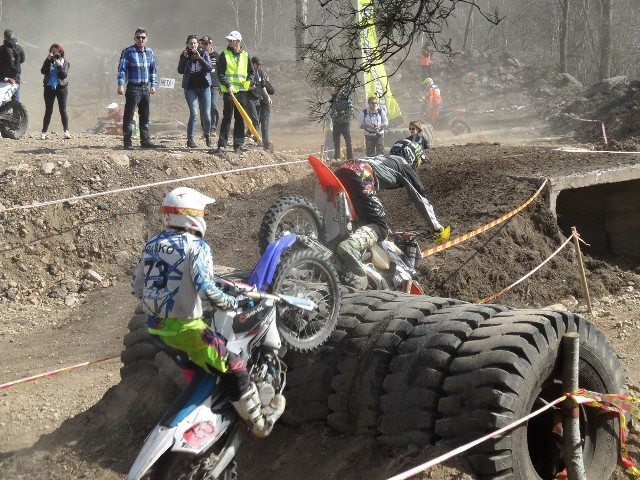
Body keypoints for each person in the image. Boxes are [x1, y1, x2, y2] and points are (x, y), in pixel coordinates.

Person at [131, 186, 285, 437]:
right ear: (192, 215)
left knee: (203, 367)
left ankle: (209, 406)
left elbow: (136, 287)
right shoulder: (196, 246)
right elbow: (207, 291)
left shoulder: (152, 244)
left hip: (154, 327)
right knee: (234, 365)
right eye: (202, 211)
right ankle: (259, 424)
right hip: (187, 330)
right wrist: (233, 303)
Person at [334, 139, 450, 280]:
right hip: (360, 175)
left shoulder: (383, 158)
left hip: (339, 173)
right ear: (412, 156)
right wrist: (436, 227)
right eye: (419, 161)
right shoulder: (403, 164)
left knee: (359, 221)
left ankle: (331, 253)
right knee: (380, 226)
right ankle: (352, 246)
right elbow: (420, 198)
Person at [116, 27, 159, 150]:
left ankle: (145, 140)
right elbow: (122, 69)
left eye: (143, 37)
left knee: (145, 115)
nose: (141, 39)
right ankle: (127, 141)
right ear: (134, 39)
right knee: (129, 115)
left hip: (145, 88)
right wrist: (120, 84)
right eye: (138, 37)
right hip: (133, 88)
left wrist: (153, 85)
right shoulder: (128, 52)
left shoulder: (150, 52)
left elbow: (153, 70)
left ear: (147, 39)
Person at [215, 30, 253, 153]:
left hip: (241, 92)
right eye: (229, 40)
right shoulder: (224, 55)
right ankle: (222, 144)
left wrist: (248, 84)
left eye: (231, 40)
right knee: (227, 118)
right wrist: (227, 84)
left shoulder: (245, 55)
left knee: (240, 118)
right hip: (228, 92)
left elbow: (251, 72)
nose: (229, 41)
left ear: (238, 41)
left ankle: (238, 144)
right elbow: (220, 73)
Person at [178, 35, 213, 148]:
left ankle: (207, 135)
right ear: (187, 45)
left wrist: (200, 58)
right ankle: (190, 139)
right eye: (190, 43)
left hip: (204, 87)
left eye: (194, 43)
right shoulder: (185, 54)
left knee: (206, 114)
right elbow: (180, 70)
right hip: (190, 88)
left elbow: (209, 68)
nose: (193, 45)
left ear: (198, 44)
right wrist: (184, 58)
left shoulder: (203, 53)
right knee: (194, 113)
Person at [39, 44, 71, 140]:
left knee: (63, 110)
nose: (55, 53)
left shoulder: (65, 62)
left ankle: (66, 131)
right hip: (49, 87)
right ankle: (43, 133)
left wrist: (59, 65)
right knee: (48, 110)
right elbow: (42, 71)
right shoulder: (48, 61)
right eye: (52, 51)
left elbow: (63, 75)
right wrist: (47, 59)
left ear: (60, 52)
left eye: (56, 51)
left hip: (61, 88)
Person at [245, 56, 273, 150]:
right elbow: (243, 86)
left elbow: (263, 87)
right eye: (257, 64)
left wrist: (268, 97)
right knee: (255, 119)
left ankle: (252, 136)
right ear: (252, 64)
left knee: (258, 122)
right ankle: (254, 137)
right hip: (249, 98)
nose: (258, 66)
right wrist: (250, 87)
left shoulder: (260, 72)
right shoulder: (247, 72)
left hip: (258, 99)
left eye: (259, 65)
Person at [198, 35, 220, 137]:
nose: (204, 45)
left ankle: (213, 128)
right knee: (203, 108)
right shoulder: (199, 54)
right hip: (202, 84)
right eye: (202, 43)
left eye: (206, 43)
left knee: (213, 105)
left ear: (211, 44)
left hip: (214, 84)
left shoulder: (217, 56)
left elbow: (222, 71)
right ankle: (205, 130)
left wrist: (222, 86)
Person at [329, 86, 354, 161]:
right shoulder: (333, 99)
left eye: (339, 89)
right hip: (336, 124)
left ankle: (350, 159)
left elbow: (350, 111)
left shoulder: (347, 98)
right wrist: (333, 113)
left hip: (344, 123)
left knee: (348, 142)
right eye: (336, 89)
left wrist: (339, 114)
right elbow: (330, 110)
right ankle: (337, 159)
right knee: (336, 143)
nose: (337, 90)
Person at [0, 29, 25, 102]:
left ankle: (3, 112)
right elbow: (22, 60)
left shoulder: (1, 49)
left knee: (2, 99)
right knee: (15, 99)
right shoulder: (19, 48)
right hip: (15, 77)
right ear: (13, 36)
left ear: (4, 37)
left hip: (3, 77)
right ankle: (17, 112)